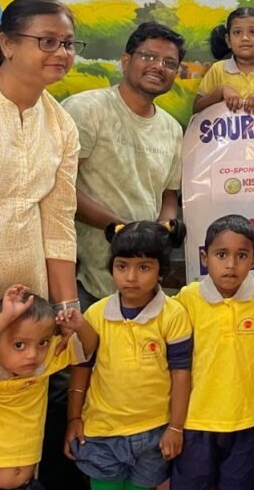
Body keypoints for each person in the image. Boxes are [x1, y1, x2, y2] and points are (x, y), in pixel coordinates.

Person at [0, 0, 80, 333]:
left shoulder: (62, 124)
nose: (61, 53)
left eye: (68, 44)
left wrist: (66, 309)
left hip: (28, 305)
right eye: (47, 41)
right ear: (7, 44)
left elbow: (58, 224)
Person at [62, 21, 186, 306]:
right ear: (126, 61)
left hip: (144, 282)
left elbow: (168, 195)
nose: (158, 67)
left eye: (169, 63)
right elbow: (60, 187)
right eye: (149, 56)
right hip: (85, 277)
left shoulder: (171, 128)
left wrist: (162, 231)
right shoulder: (87, 109)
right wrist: (123, 229)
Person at [65, 220, 192, 490]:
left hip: (154, 433)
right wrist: (74, 419)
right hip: (101, 433)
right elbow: (81, 369)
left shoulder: (173, 315)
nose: (131, 277)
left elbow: (181, 374)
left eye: (144, 267)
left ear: (161, 271)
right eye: (122, 266)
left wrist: (176, 427)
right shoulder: (96, 314)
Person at [0, 284, 97, 490]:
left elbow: (87, 348)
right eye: (19, 345)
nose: (32, 354)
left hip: (28, 483)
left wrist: (80, 325)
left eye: (43, 343)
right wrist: (5, 318)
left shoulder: (44, 363)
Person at [171, 215, 254, 490]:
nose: (231, 264)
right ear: (204, 258)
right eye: (221, 254)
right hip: (195, 419)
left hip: (248, 419)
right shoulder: (187, 298)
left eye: (241, 255)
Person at [192, 6, 254, 115]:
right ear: (228, 40)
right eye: (237, 32)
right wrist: (220, 91)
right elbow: (196, 109)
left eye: (253, 32)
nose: (244, 38)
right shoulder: (218, 70)